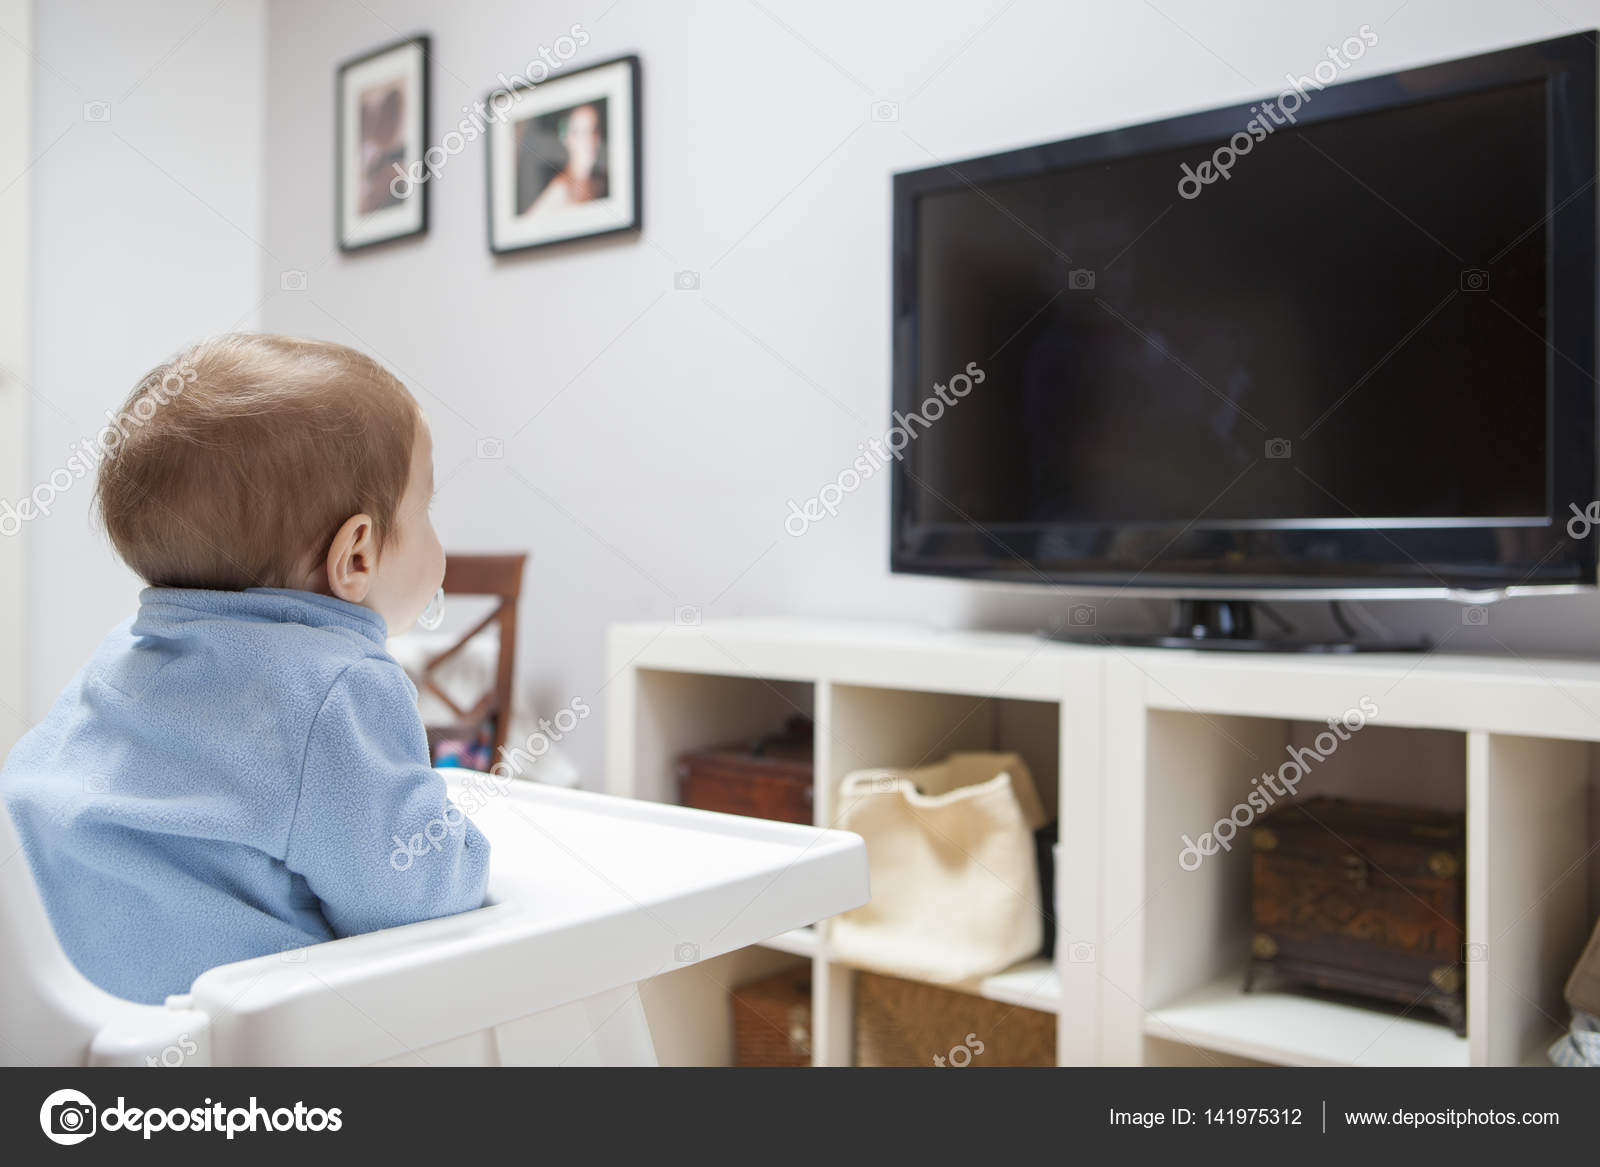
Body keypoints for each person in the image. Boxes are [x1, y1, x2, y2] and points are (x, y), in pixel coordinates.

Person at [0, 333, 489, 1004]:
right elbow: (415, 896)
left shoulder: (121, 649)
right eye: (425, 507)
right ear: (356, 556)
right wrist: (462, 849)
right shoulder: (340, 687)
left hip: (56, 1011)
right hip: (229, 1047)